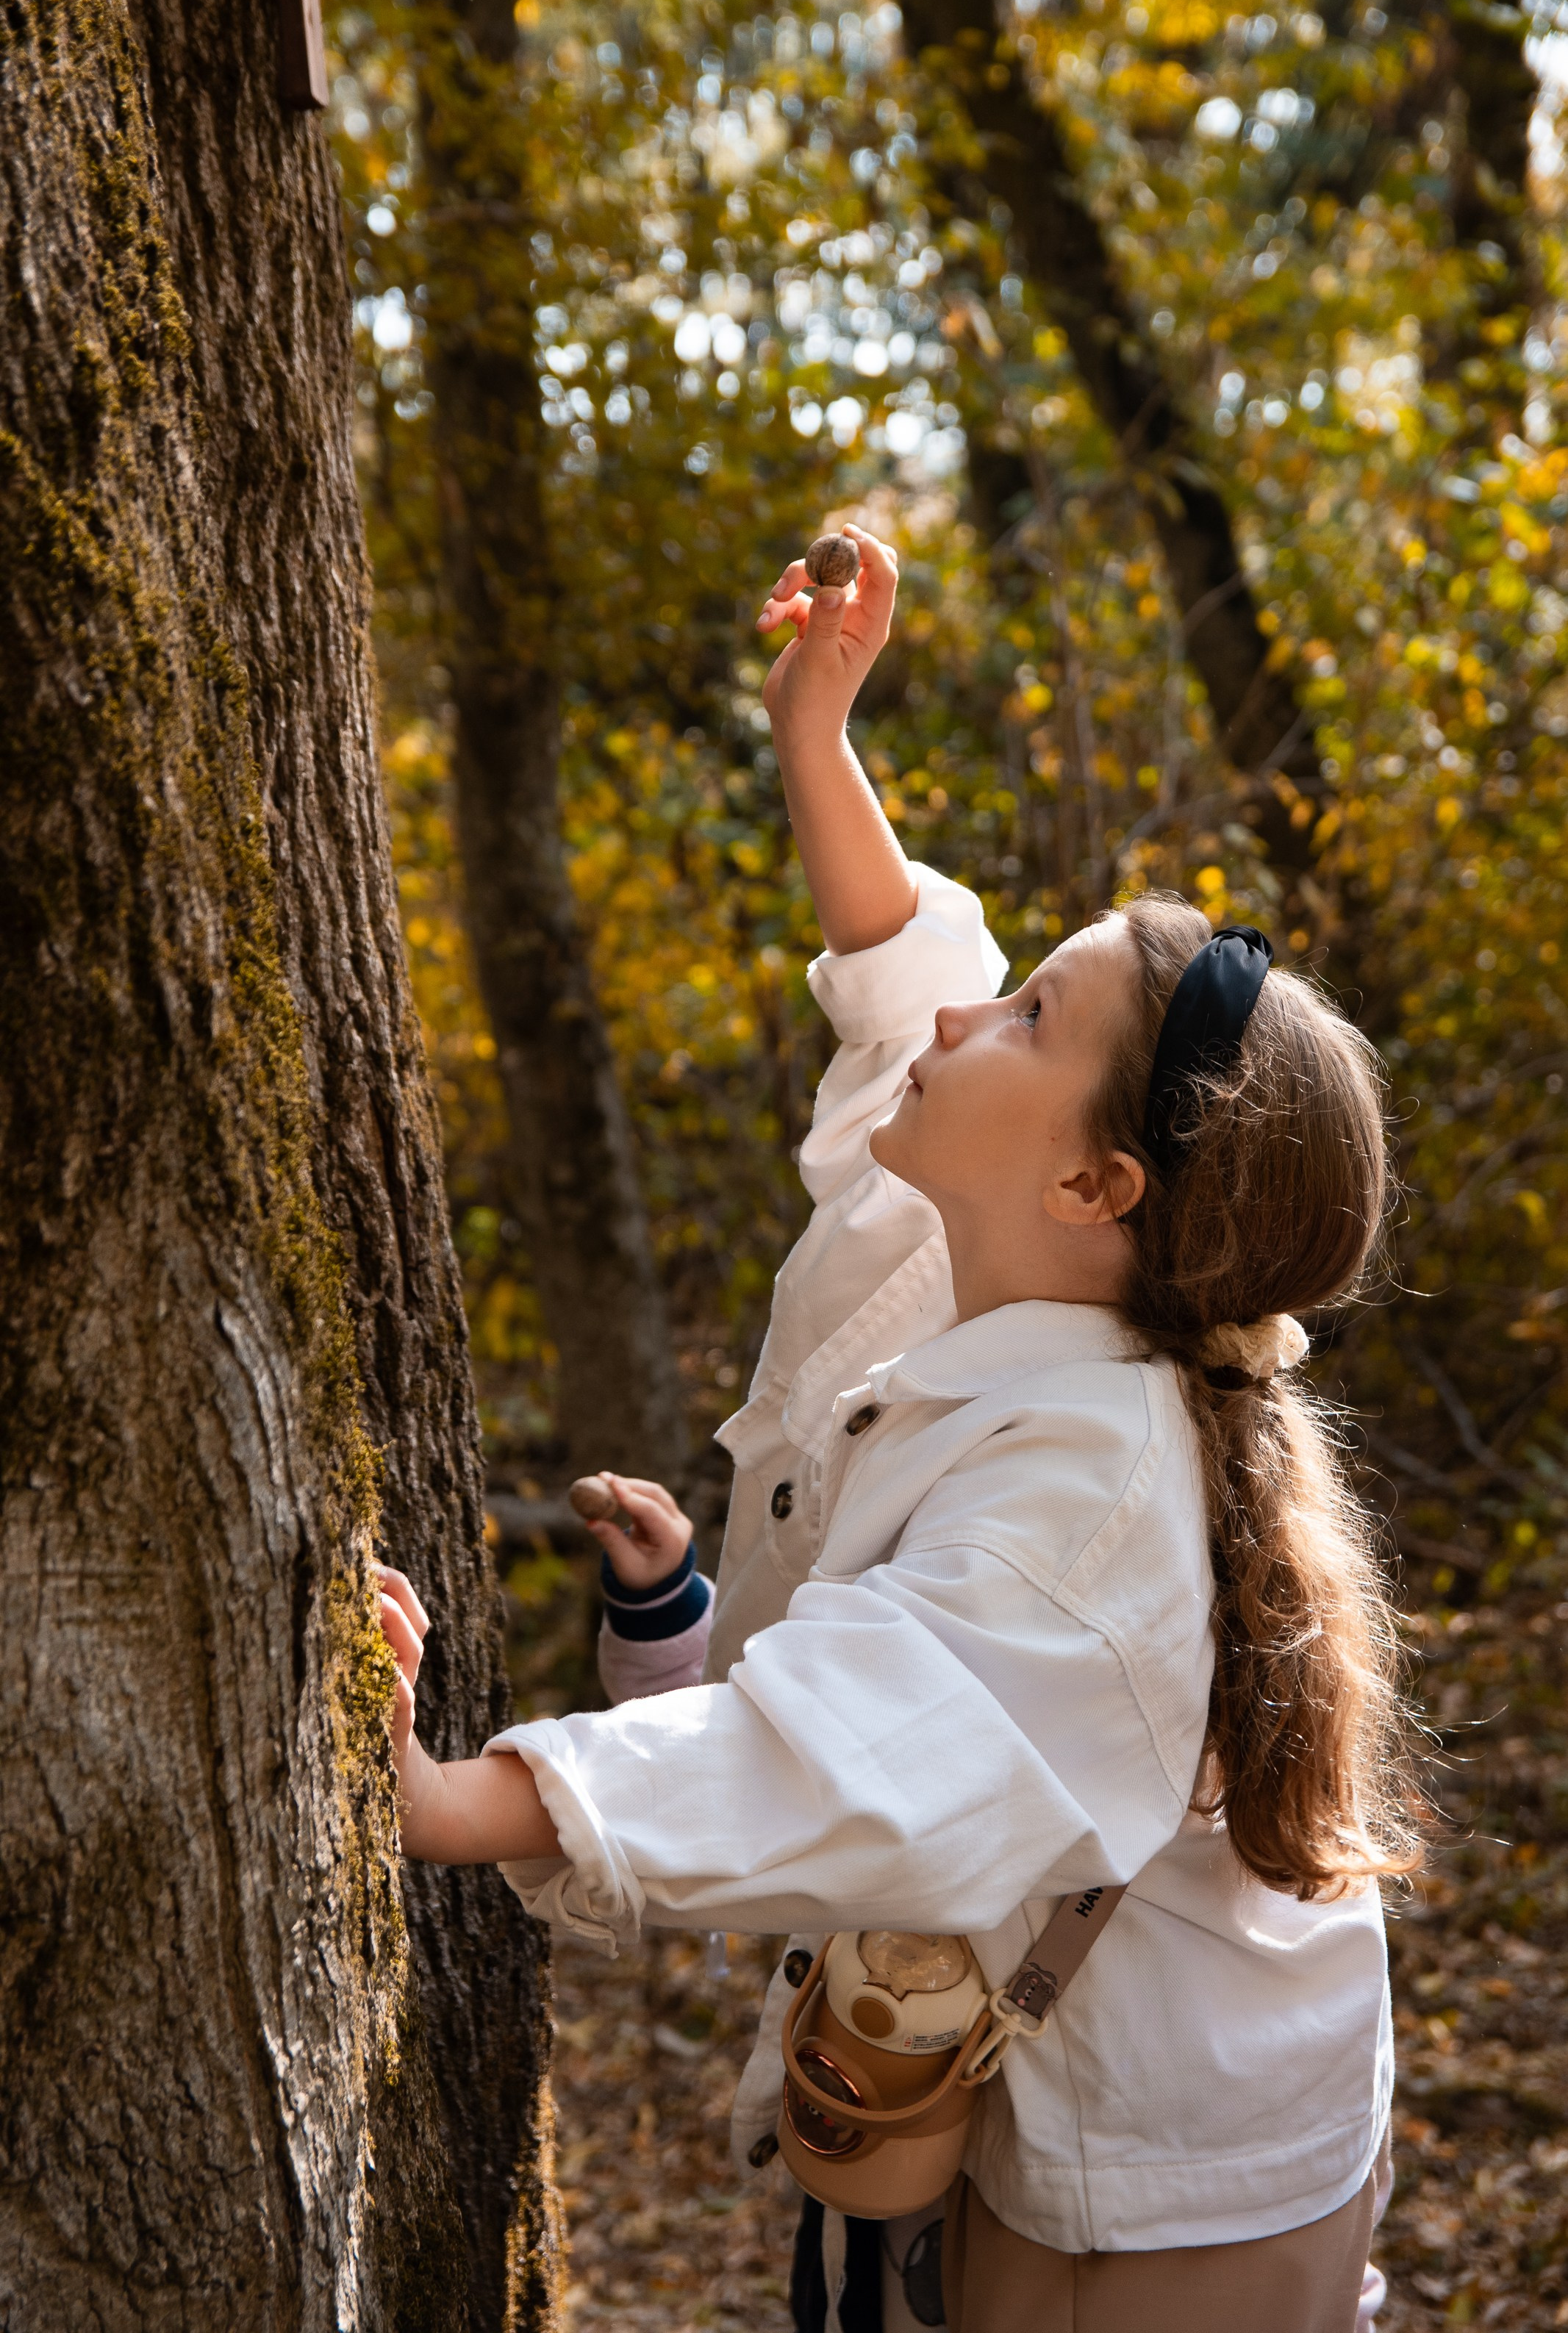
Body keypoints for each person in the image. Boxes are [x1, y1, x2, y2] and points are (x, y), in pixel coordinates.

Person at [378, 526, 1419, 2332]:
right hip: (1097, 2149)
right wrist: (815, 733)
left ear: (1096, 1179)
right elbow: (897, 988)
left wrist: (447, 1804)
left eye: (1026, 1011)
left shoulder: (1100, 1499)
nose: (965, 1003)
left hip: (1162, 2223)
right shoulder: (999, 1275)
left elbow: (859, 1753)